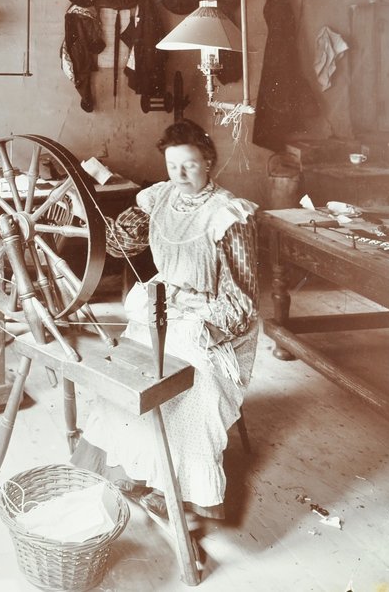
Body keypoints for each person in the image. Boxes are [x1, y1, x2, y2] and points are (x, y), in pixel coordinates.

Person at [71, 119, 259, 524]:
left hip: (216, 319)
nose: (180, 175)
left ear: (208, 161)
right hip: (164, 308)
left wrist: (209, 329)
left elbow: (245, 295)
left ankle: (184, 495)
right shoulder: (160, 197)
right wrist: (91, 217)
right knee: (131, 380)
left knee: (192, 390)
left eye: (189, 165)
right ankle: (134, 473)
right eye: (172, 166)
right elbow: (122, 247)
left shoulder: (230, 214)